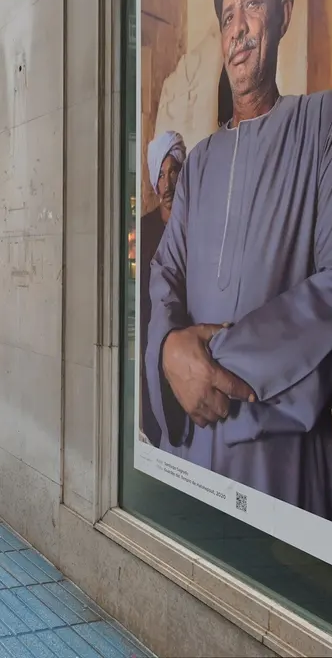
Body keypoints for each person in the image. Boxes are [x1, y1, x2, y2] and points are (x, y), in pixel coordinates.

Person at [145, 0, 332, 525]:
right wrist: (168, 349)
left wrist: (202, 364)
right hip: (194, 448)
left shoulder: (325, 124)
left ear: (283, 12)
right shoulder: (199, 164)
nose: (239, 29)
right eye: (227, 15)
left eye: (252, 5)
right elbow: (164, 276)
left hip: (282, 459)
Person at [138, 131, 185, 447]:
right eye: (161, 174)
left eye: (174, 171)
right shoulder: (144, 230)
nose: (167, 184)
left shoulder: (195, 226)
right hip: (152, 346)